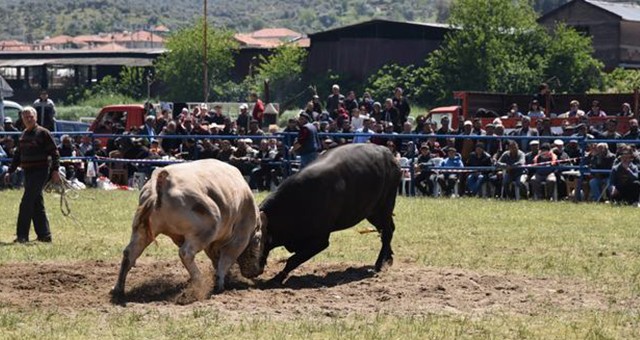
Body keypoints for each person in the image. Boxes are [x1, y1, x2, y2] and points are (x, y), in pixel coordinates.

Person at [4, 107, 60, 243]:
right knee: (36, 203)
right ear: (22, 119)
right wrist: (10, 171)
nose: (28, 119)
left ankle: (22, 236)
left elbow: (54, 153)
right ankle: (44, 235)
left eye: (31, 116)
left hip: (40, 171)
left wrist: (55, 170)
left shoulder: (43, 133)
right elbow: (18, 155)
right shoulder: (23, 135)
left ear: (35, 117)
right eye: (26, 117)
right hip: (28, 172)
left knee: (26, 202)